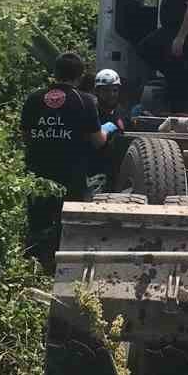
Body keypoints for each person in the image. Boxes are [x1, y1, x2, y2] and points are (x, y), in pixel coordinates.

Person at [19, 51, 110, 269]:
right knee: (68, 226)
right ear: (80, 76)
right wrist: (109, 130)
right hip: (70, 174)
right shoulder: (86, 101)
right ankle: (62, 269)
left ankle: (33, 266)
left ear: (55, 73)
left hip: (37, 172)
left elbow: (26, 136)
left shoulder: (34, 98)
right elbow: (98, 142)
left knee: (37, 225)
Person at [86, 67, 126, 187]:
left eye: (115, 90)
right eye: (106, 91)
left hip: (116, 172)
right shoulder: (90, 112)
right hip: (92, 173)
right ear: (97, 91)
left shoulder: (121, 112)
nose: (111, 94)